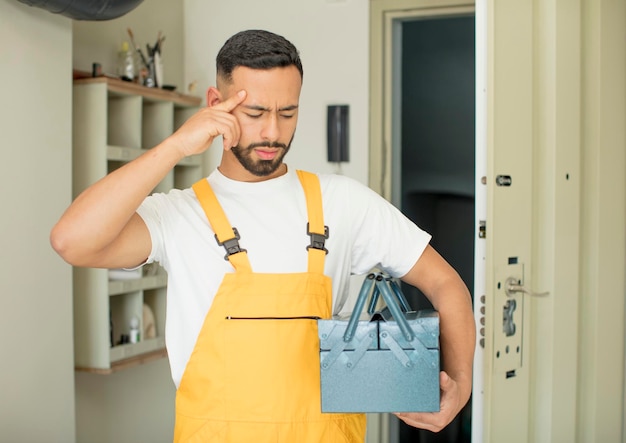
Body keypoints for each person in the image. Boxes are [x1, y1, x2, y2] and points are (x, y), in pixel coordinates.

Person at [51, 29, 475, 442]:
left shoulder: (345, 202)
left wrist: (460, 384)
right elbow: (71, 241)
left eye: (287, 113)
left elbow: (444, 282)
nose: (273, 132)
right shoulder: (178, 213)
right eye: (255, 113)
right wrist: (176, 146)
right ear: (216, 105)